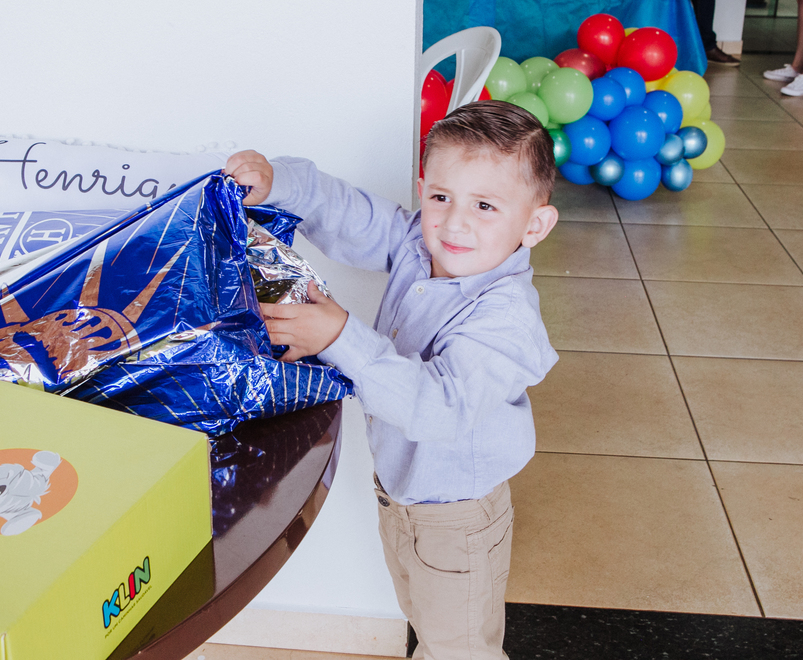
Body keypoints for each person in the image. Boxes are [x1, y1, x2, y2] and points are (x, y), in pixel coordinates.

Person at [224, 101, 559, 660]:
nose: (455, 222)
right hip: (401, 499)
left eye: (484, 206)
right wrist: (280, 181)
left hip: (456, 518)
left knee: (460, 650)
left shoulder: (506, 317)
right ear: (423, 190)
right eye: (441, 197)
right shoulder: (416, 244)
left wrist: (338, 336)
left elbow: (439, 408)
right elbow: (349, 213)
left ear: (534, 225)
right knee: (428, 624)